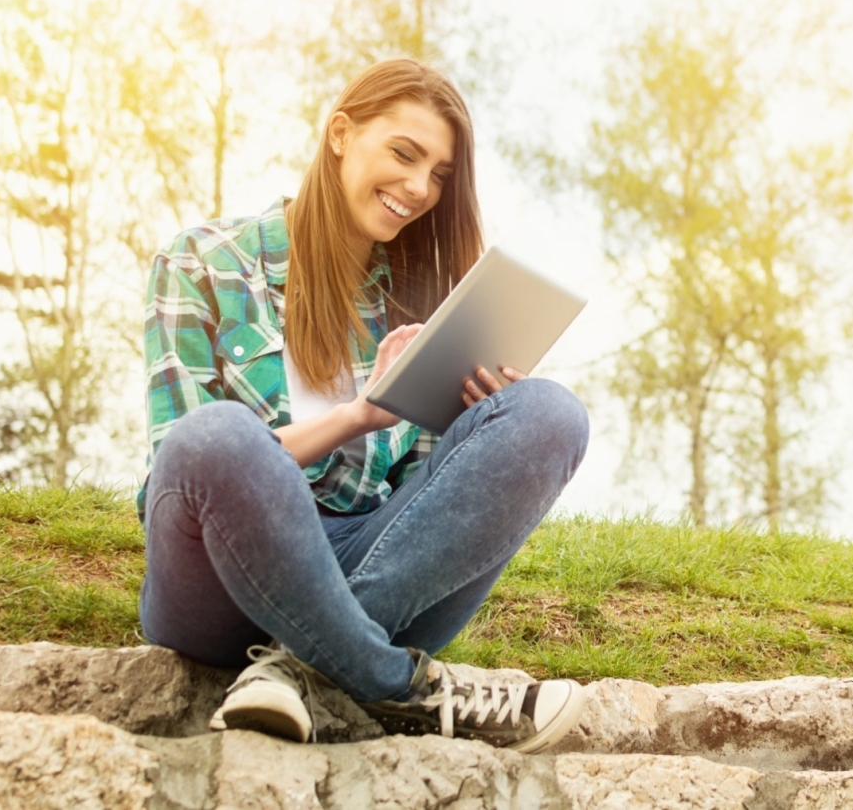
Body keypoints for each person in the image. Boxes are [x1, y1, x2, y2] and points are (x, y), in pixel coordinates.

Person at [136, 58, 590, 752]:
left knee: (550, 413)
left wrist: (479, 424)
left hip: (364, 569)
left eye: (439, 174)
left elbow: (426, 523)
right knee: (216, 437)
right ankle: (397, 684)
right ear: (342, 134)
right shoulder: (204, 260)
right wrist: (359, 413)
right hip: (218, 578)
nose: (419, 187)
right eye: (405, 155)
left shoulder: (419, 306)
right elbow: (182, 469)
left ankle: (298, 670)